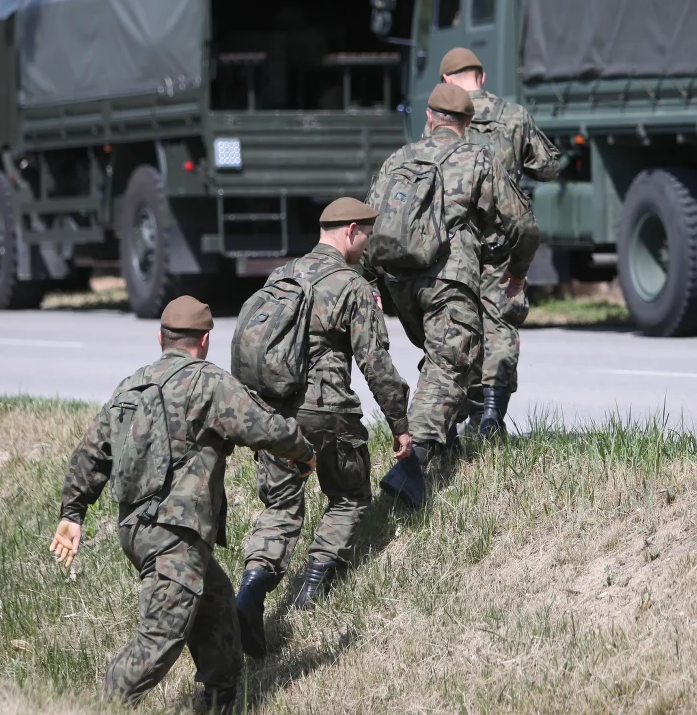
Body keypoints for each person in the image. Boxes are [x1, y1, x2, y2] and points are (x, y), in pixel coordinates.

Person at [51, 296, 315, 713]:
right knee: (160, 638)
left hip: (137, 531)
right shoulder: (209, 382)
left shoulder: (132, 385)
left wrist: (73, 512)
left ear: (161, 338)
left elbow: (90, 452)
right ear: (205, 340)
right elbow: (264, 427)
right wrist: (303, 452)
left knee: (217, 608)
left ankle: (220, 700)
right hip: (176, 533)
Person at [234, 197, 411, 656]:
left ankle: (251, 590)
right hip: (328, 413)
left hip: (273, 415)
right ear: (351, 230)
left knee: (279, 507)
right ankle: (313, 587)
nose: (368, 245)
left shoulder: (282, 276)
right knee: (349, 496)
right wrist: (400, 423)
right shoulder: (351, 285)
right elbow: (376, 365)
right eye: (367, 235)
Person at [366, 83, 539, 507]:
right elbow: (523, 226)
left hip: (399, 281)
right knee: (450, 363)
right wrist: (516, 272)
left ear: (429, 117)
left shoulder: (398, 159)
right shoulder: (478, 157)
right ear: (469, 122)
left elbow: (370, 223)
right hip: (449, 277)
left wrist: (369, 282)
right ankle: (413, 462)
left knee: (446, 358)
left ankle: (449, 447)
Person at [440, 47, 561, 439]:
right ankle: (492, 414)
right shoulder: (514, 115)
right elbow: (548, 166)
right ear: (482, 77)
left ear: (446, 80)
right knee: (500, 324)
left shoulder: (443, 117)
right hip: (502, 240)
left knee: (456, 324)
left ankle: (460, 411)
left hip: (455, 244)